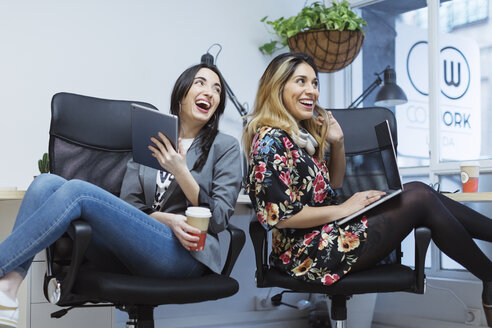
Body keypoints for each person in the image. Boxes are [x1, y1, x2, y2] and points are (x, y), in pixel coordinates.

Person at [243, 52, 492, 326]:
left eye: (314, 83)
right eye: (301, 81)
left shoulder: (299, 136)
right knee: (420, 196)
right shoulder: (268, 141)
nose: (311, 91)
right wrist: (344, 208)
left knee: (421, 191)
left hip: (327, 233)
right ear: (277, 88)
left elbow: (334, 184)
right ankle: (490, 276)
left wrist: (337, 142)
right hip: (306, 253)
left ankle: (490, 276)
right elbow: (281, 216)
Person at [0, 63, 242, 328]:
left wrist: (181, 171)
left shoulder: (225, 147)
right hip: (133, 247)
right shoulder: (153, 139)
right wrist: (166, 219)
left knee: (78, 191)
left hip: (185, 256)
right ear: (181, 94)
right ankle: (8, 291)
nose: (209, 92)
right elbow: (130, 204)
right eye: (200, 83)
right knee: (45, 182)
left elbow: (218, 219)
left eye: (217, 89)